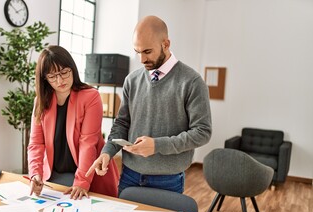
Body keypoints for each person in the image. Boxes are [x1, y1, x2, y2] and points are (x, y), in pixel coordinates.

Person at [86, 15, 212, 195]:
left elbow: (202, 132)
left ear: (166, 44)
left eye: (147, 51)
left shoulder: (192, 82)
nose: (141, 59)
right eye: (137, 52)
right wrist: (107, 152)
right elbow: (122, 124)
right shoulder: (132, 80)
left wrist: (157, 145)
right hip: (129, 175)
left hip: (168, 180)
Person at [28, 45, 119, 199]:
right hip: (54, 176)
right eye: (52, 76)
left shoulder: (90, 97)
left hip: (89, 176)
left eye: (64, 72)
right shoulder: (41, 101)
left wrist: (81, 181)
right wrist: (35, 173)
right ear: (45, 78)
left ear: (72, 69)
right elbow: (36, 143)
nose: (60, 80)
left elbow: (88, 143)